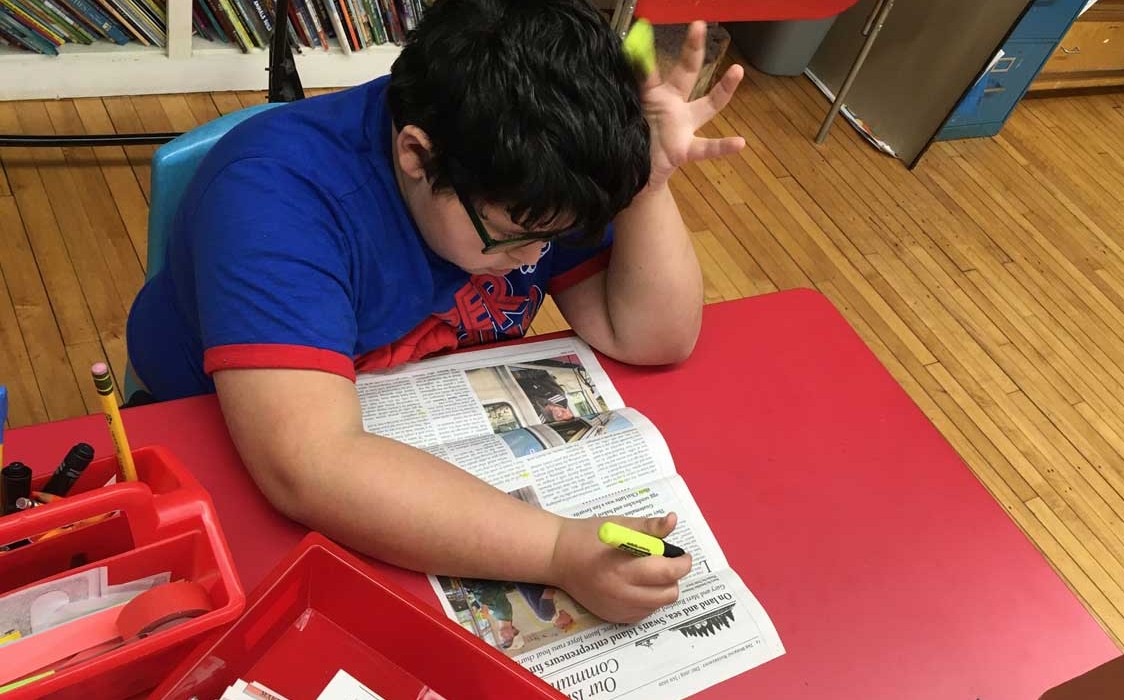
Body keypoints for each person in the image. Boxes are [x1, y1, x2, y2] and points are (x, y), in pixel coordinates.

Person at [125, 0, 745, 624]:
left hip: (415, 437)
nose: (536, 256)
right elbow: (309, 466)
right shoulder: (273, 196)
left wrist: (647, 185)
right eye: (515, 235)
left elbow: (650, 336)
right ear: (416, 156)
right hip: (210, 449)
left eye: (557, 236)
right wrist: (558, 549)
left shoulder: (535, 179)